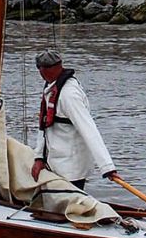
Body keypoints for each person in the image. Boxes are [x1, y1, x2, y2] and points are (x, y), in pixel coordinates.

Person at [31, 50, 118, 190]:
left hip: (71, 168)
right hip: (55, 163)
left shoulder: (69, 95)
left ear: (45, 70)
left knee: (68, 201)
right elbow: (44, 126)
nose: (40, 73)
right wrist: (39, 157)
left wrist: (107, 168)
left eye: (40, 69)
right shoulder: (51, 88)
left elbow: (89, 129)